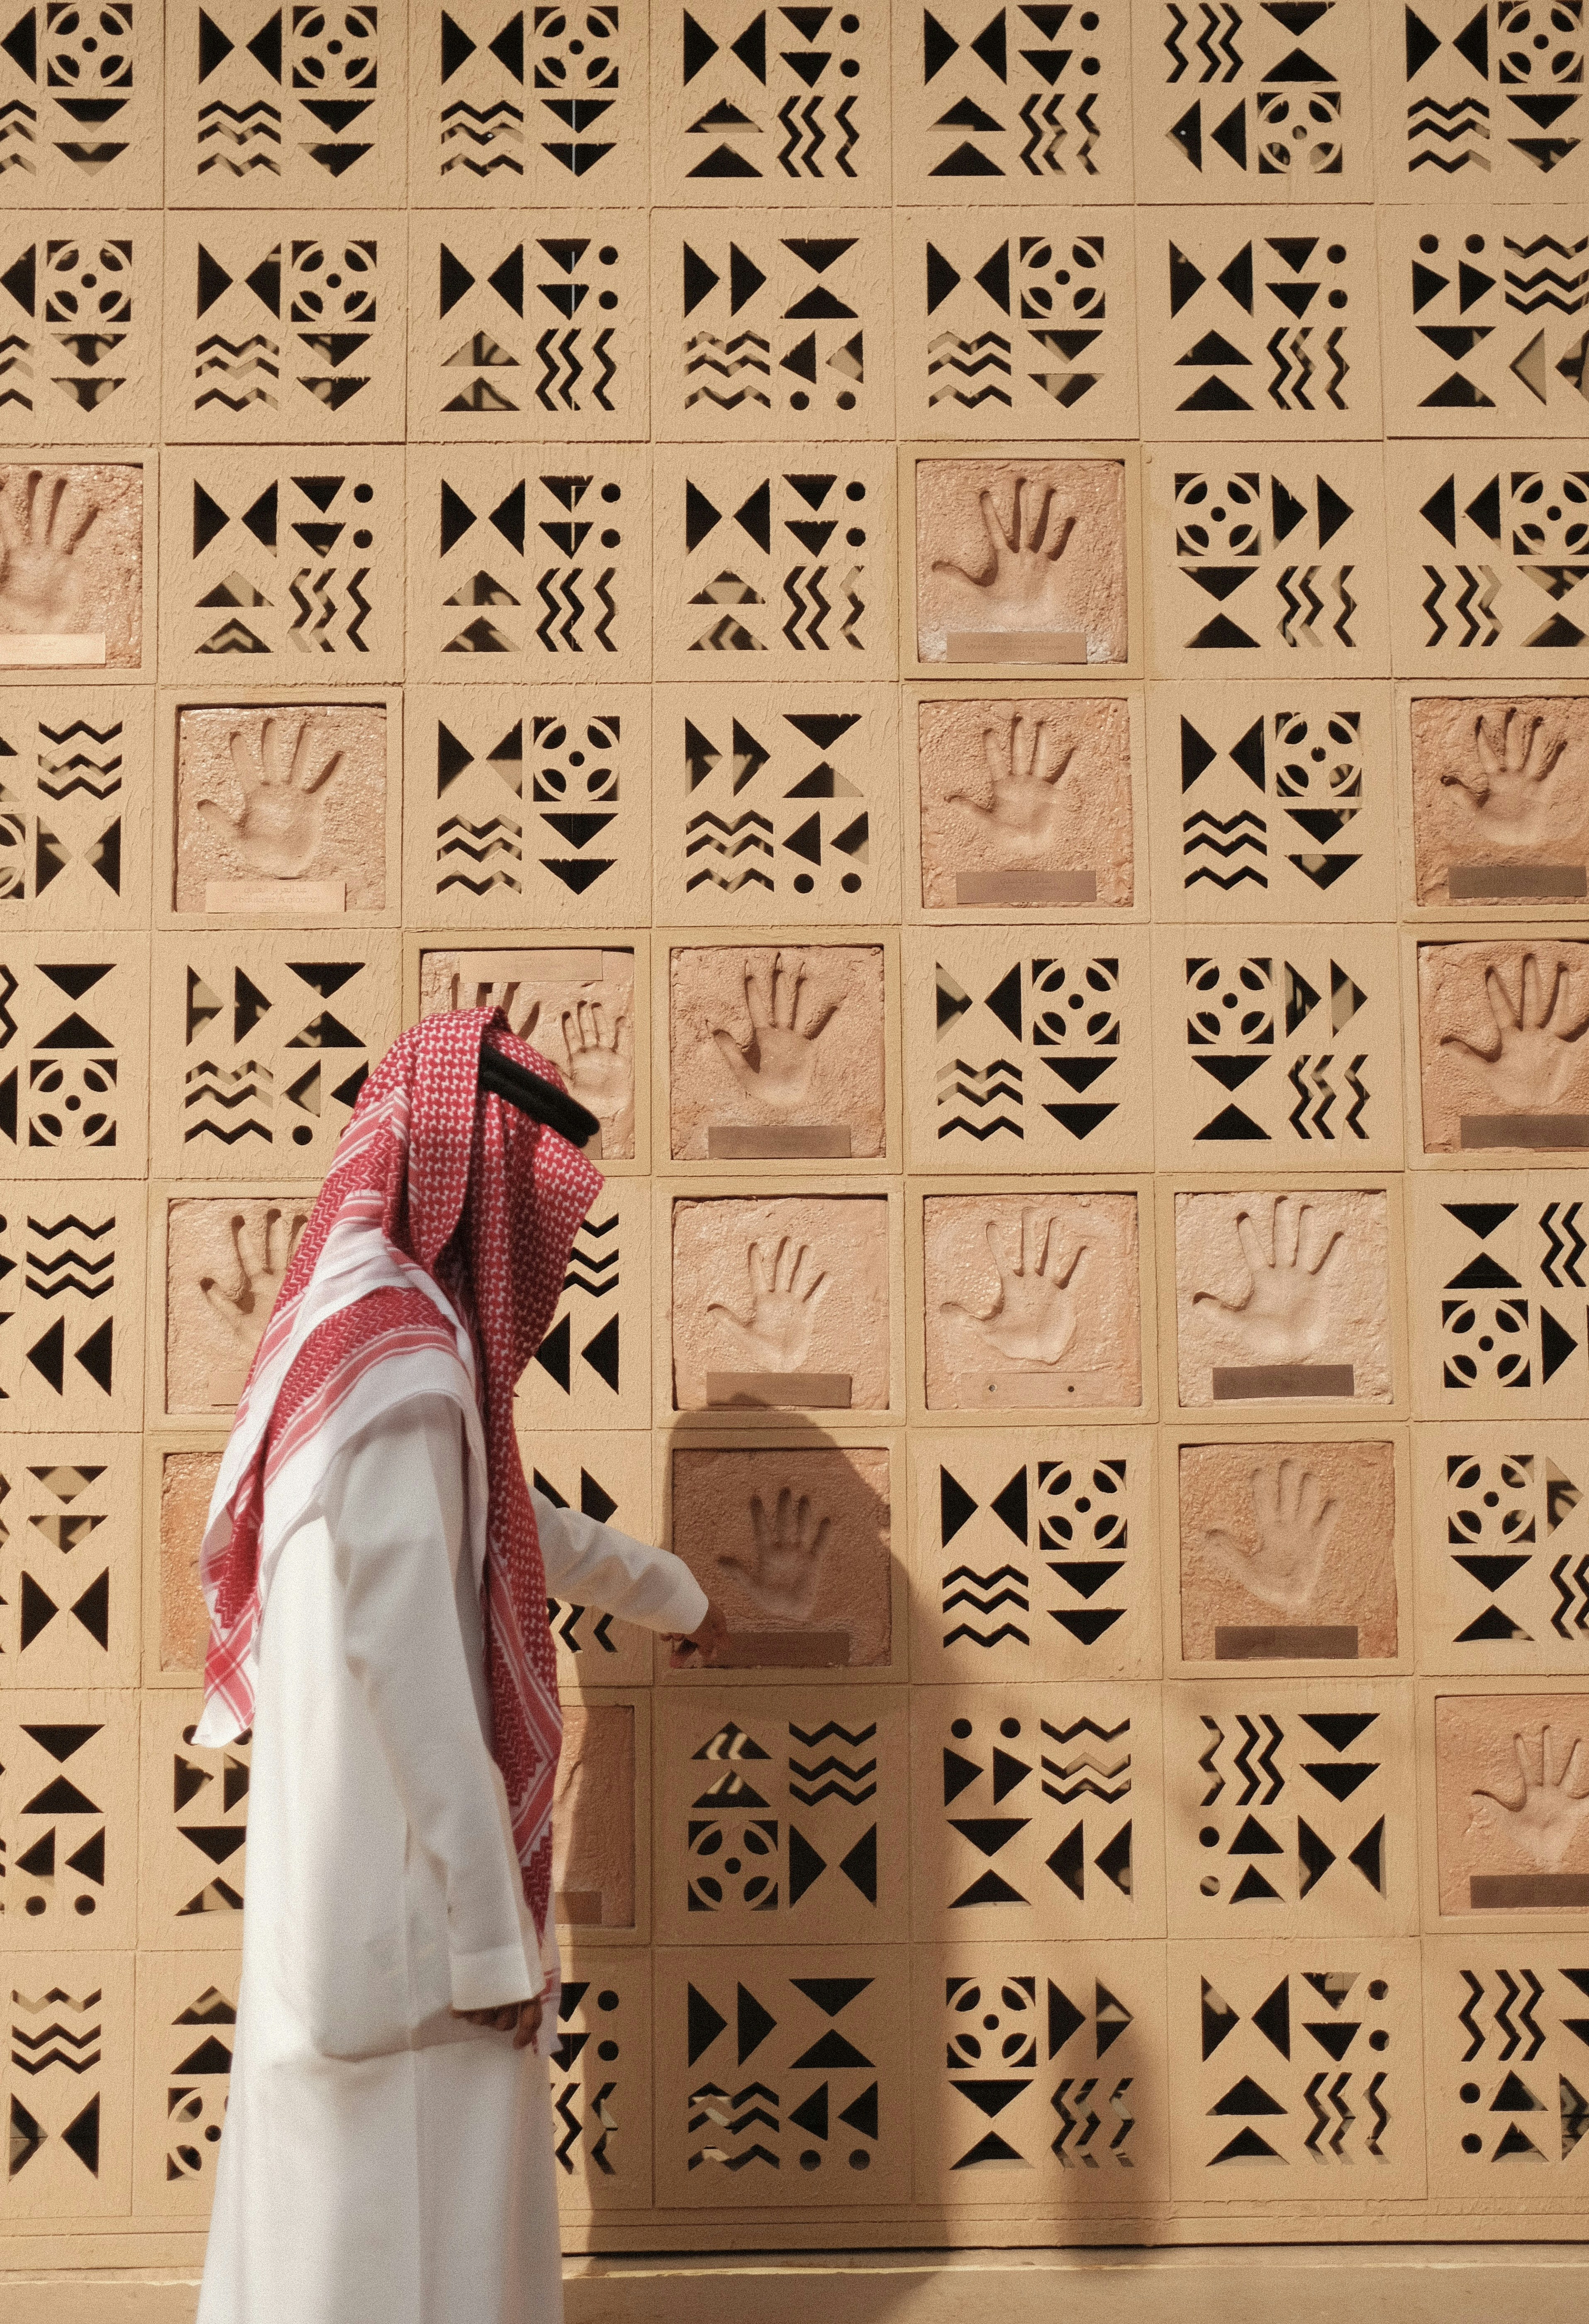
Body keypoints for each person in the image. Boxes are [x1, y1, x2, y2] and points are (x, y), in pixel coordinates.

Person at [191, 1010, 727, 2324]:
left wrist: (672, 1594)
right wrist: (493, 1940)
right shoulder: (410, 1357)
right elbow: (411, 1656)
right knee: (410, 2256)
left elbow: (497, 1533)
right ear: (479, 1169)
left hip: (352, 1888)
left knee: (333, 2243)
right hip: (412, 1917)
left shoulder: (356, 1336)